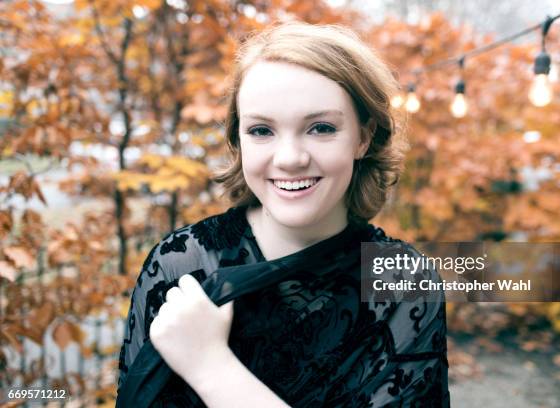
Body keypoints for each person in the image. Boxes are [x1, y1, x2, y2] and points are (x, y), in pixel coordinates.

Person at [116, 21, 449, 407]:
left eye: (320, 128)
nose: (290, 158)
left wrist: (212, 368)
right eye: (261, 131)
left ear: (363, 136)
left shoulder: (403, 282)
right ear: (239, 140)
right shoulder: (180, 263)